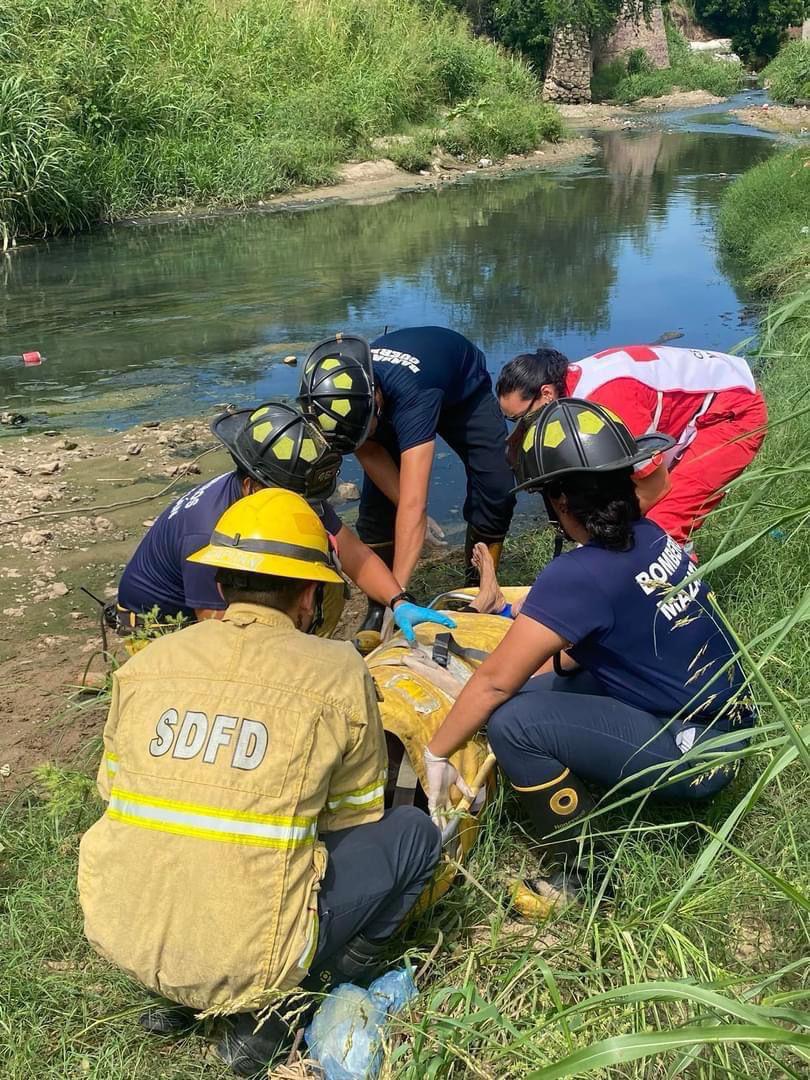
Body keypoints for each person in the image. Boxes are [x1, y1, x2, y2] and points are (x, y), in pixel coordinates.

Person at [79, 489, 442, 1078]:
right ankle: (275, 1014)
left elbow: (114, 794)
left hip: (124, 933)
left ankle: (175, 996)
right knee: (413, 836)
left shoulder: (145, 665)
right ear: (309, 594)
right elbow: (354, 817)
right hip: (251, 955)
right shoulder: (338, 671)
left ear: (221, 587)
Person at [422, 399, 755, 917]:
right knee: (533, 695)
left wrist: (437, 753)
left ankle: (584, 873)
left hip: (699, 756)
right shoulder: (651, 535)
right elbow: (611, 642)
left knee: (512, 721)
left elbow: (491, 682)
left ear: (558, 502)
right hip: (732, 728)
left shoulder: (577, 575)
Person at [116, 399, 453, 644]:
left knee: (324, 575)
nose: (301, 508)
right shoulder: (208, 534)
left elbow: (355, 554)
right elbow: (217, 635)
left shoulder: (286, 492)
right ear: (251, 484)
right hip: (164, 627)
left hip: (216, 604)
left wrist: (400, 601)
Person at [305, 327, 515, 635]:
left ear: (375, 397)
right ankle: (377, 608)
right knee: (377, 514)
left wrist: (399, 596)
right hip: (386, 403)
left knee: (497, 488)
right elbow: (370, 449)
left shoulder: (412, 397)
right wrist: (393, 601)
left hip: (461, 392)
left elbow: (415, 502)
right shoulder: (342, 396)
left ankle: (476, 587)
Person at [496, 344, 767, 546]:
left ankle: (676, 601)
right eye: (512, 420)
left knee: (662, 525)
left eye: (523, 419)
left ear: (546, 393)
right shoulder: (564, 388)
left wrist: (597, 543)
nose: (522, 427)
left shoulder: (609, 402)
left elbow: (655, 485)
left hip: (733, 412)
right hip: (697, 404)